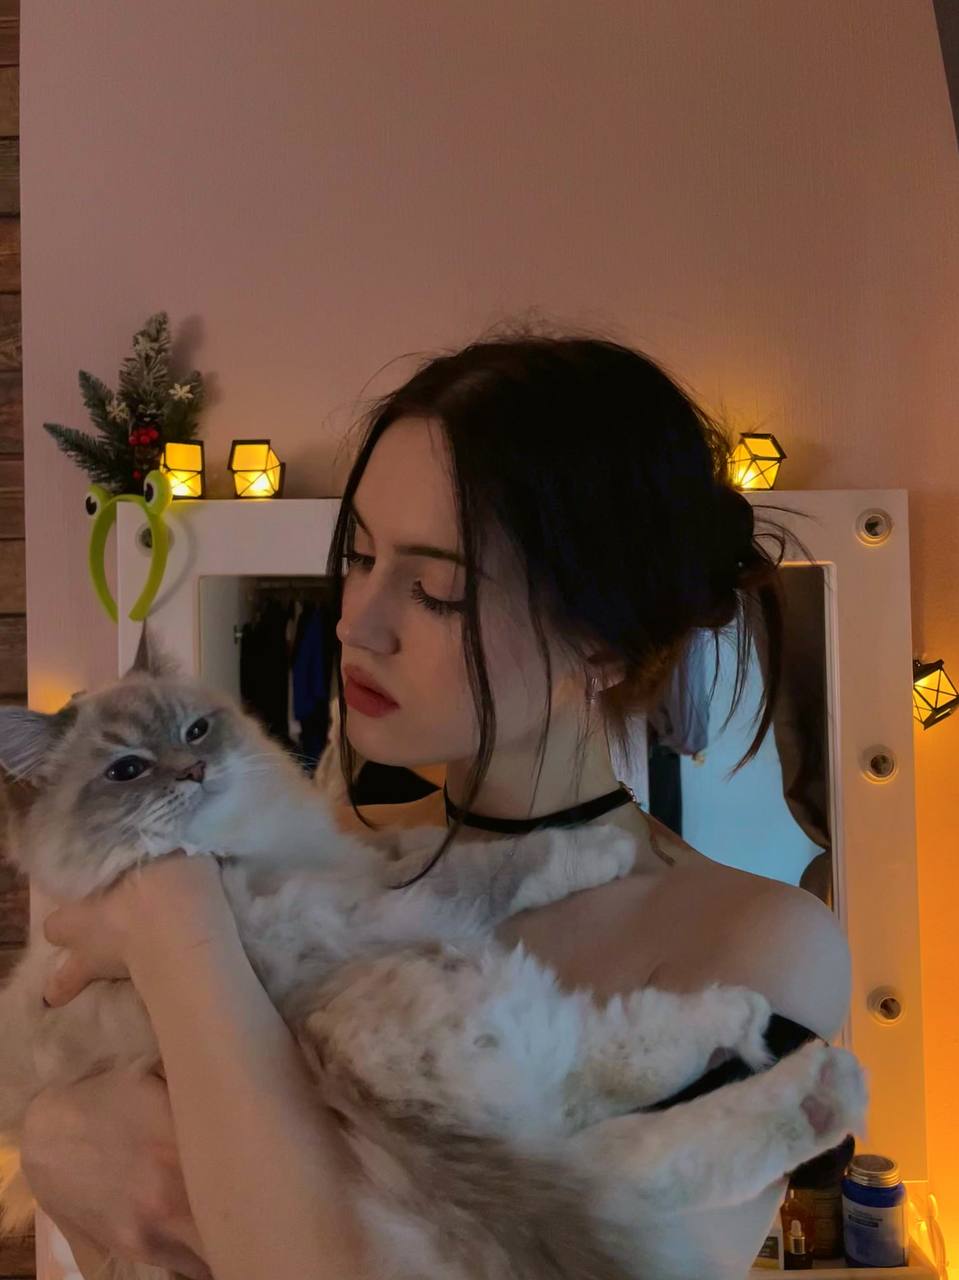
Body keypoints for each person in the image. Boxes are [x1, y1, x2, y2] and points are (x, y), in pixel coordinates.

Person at [21, 327, 850, 1280]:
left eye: (435, 590)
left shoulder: (756, 940)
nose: (357, 622)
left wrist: (181, 948)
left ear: (601, 643)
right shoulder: (317, 863)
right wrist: (58, 1140)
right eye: (359, 558)